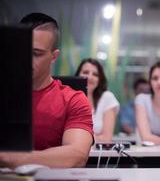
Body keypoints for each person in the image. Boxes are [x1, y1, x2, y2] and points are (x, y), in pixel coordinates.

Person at [0, 13, 94, 168]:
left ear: (54, 56)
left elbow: (77, 156)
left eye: (36, 54)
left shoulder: (73, 100)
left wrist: (10, 158)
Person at [75, 58, 120, 142]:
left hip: (98, 154)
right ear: (78, 75)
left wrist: (78, 140)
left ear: (99, 80)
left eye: (95, 74)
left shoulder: (107, 98)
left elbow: (107, 139)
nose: (90, 77)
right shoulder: (67, 98)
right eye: (86, 72)